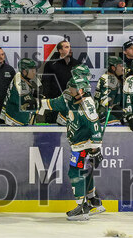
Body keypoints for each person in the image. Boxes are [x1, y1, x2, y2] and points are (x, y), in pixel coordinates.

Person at [39, 77, 103, 221]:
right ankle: (94, 201)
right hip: (78, 145)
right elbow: (54, 103)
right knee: (84, 172)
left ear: (80, 90)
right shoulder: (70, 98)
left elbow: (95, 129)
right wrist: (38, 103)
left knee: (75, 172)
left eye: (72, 88)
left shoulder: (87, 106)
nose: (69, 90)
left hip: (84, 146)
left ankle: (81, 207)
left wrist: (96, 149)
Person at [3, 58, 39, 126]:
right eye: (32, 70)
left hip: (21, 117)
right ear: (24, 71)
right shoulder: (19, 82)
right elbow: (22, 100)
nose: (34, 72)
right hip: (15, 119)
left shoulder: (26, 79)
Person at [95, 56, 124, 124]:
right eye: (120, 66)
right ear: (113, 68)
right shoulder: (111, 79)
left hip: (101, 115)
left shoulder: (105, 76)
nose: (123, 68)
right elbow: (106, 101)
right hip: (109, 117)